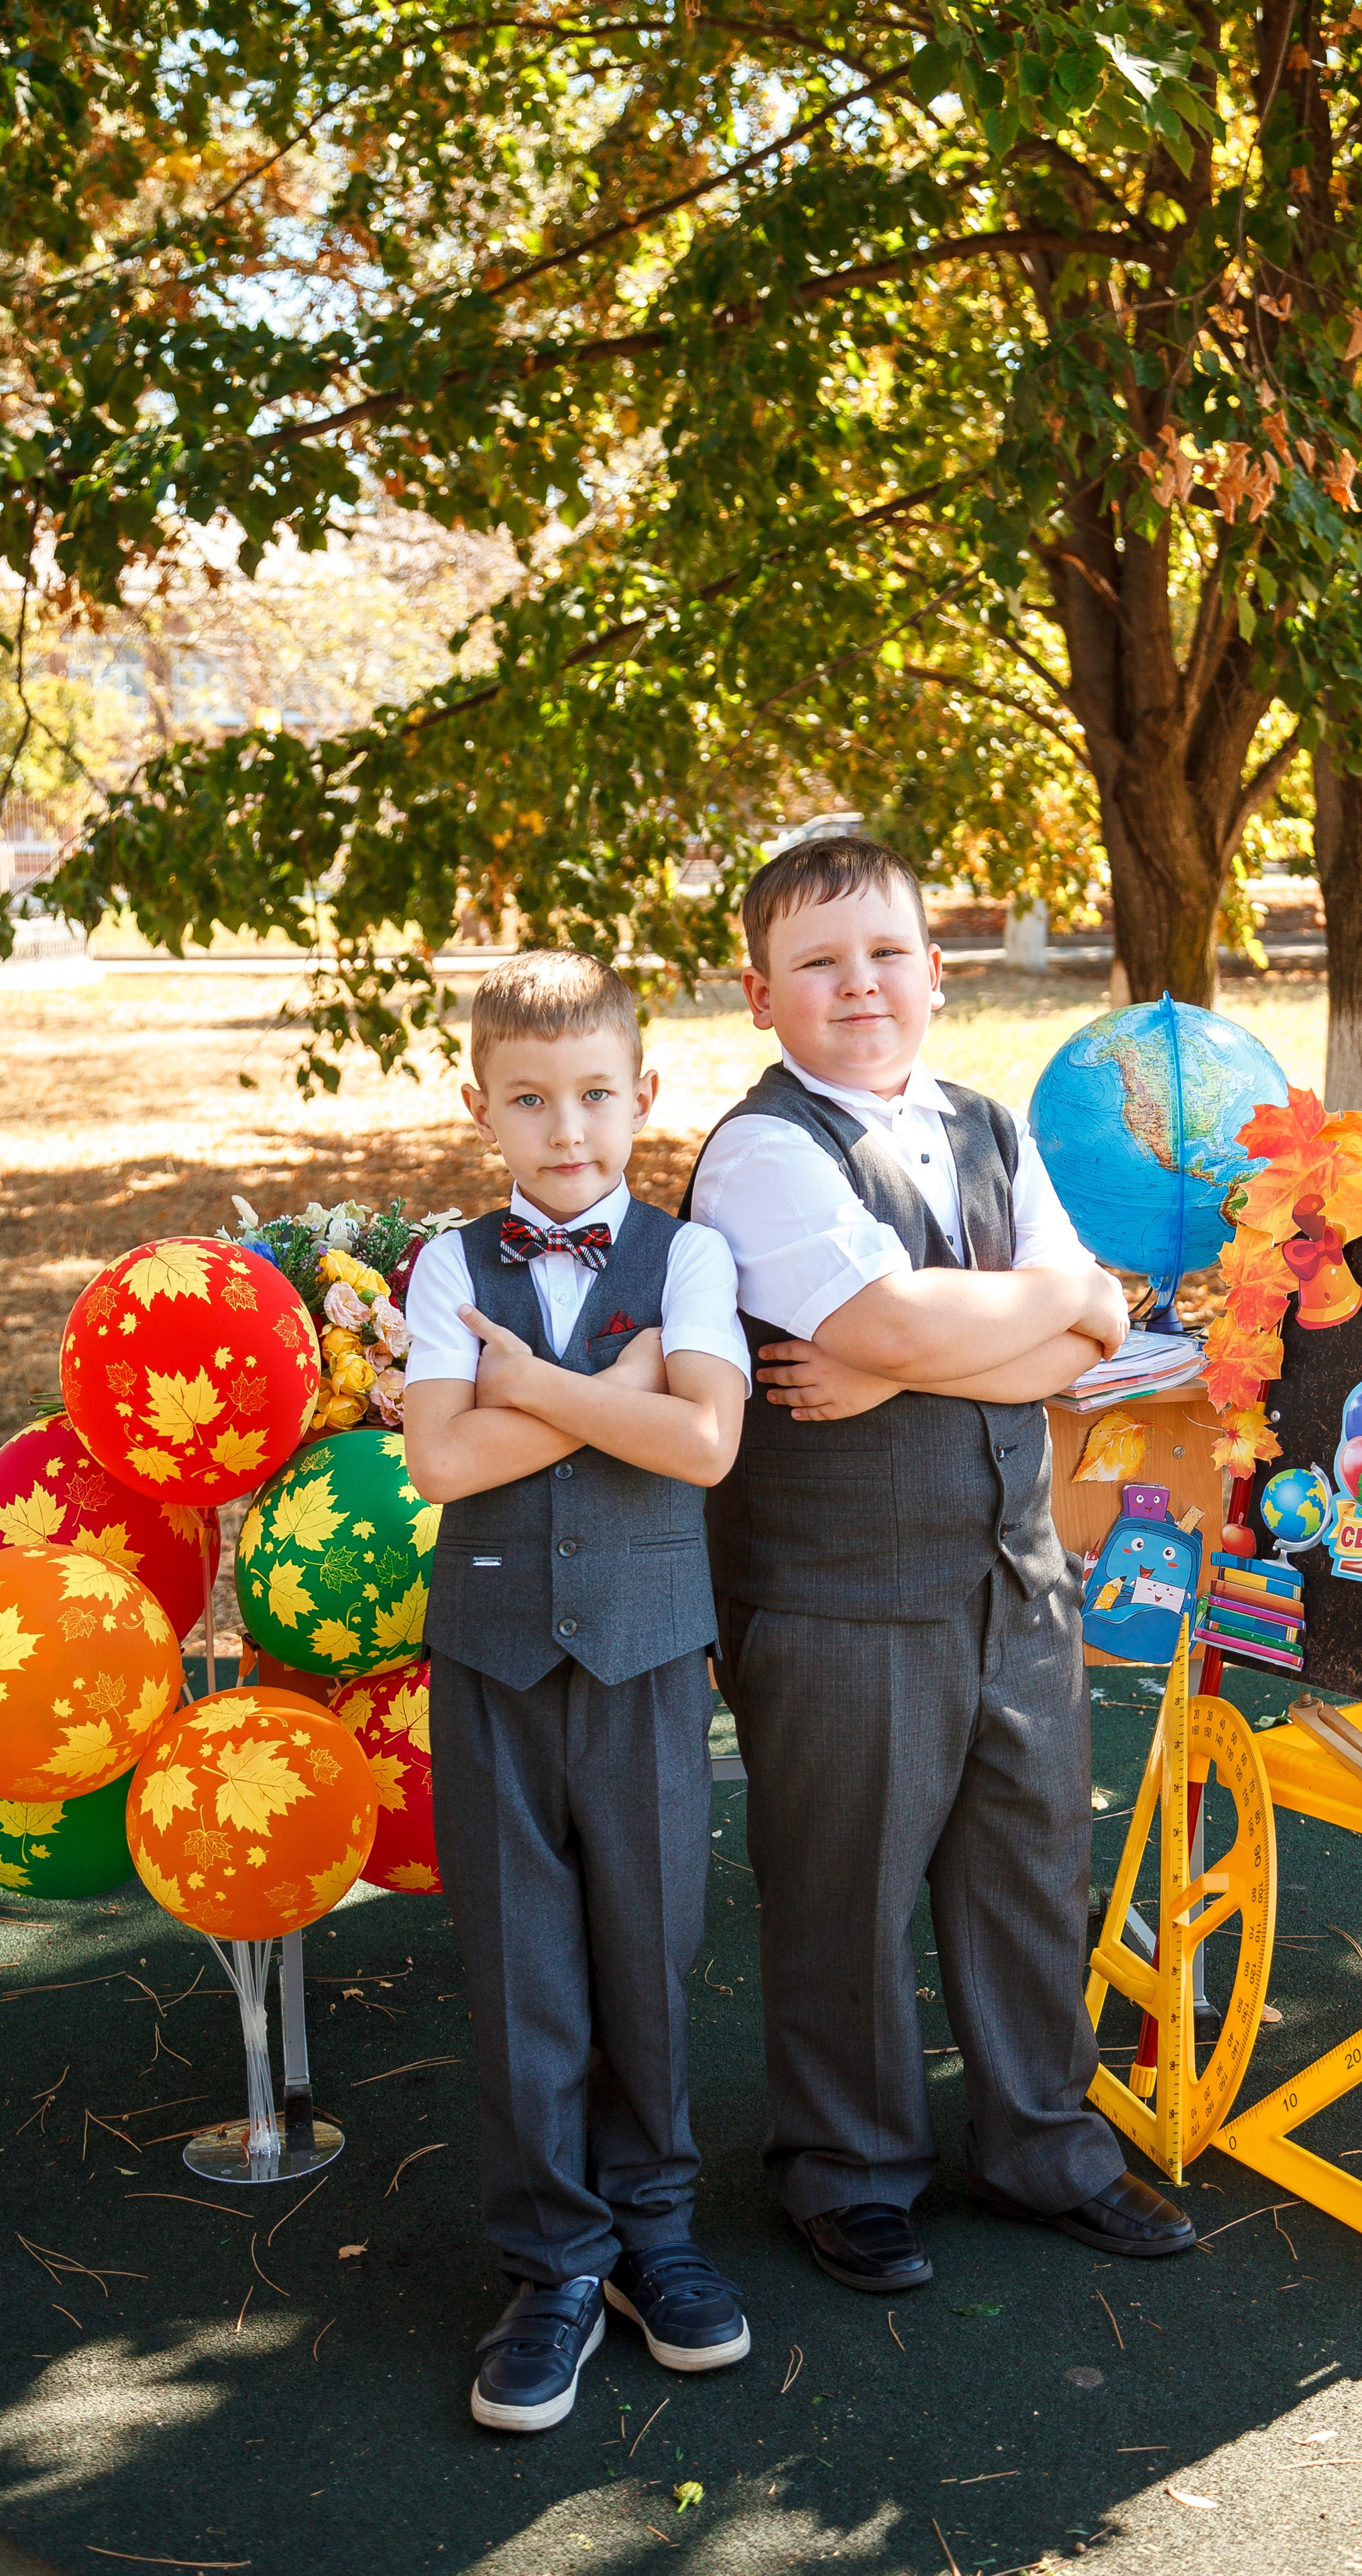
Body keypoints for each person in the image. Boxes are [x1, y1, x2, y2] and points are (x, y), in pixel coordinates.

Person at [686, 836, 1197, 2295]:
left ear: (932, 967)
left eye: (886, 952)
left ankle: (1042, 2144)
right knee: (843, 1886)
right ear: (760, 994)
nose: (859, 984)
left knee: (1031, 1868)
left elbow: (1083, 1329)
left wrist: (959, 1341)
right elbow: (915, 1322)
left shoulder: (986, 1122)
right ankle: (842, 2170)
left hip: (1013, 1577)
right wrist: (1040, 1311)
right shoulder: (763, 1150)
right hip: (839, 1597)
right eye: (818, 962)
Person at [403, 951, 753, 2434]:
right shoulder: (443, 1268)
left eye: (595, 1095)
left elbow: (707, 1447)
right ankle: (551, 2262)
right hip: (488, 1670)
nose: (566, 1129)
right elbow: (441, 1462)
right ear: (482, 1108)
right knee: (521, 1971)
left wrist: (535, 1388)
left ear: (644, 1096)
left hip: (649, 1664)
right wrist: (622, 1402)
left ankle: (654, 2241)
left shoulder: (689, 1260)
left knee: (648, 1951)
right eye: (531, 1101)